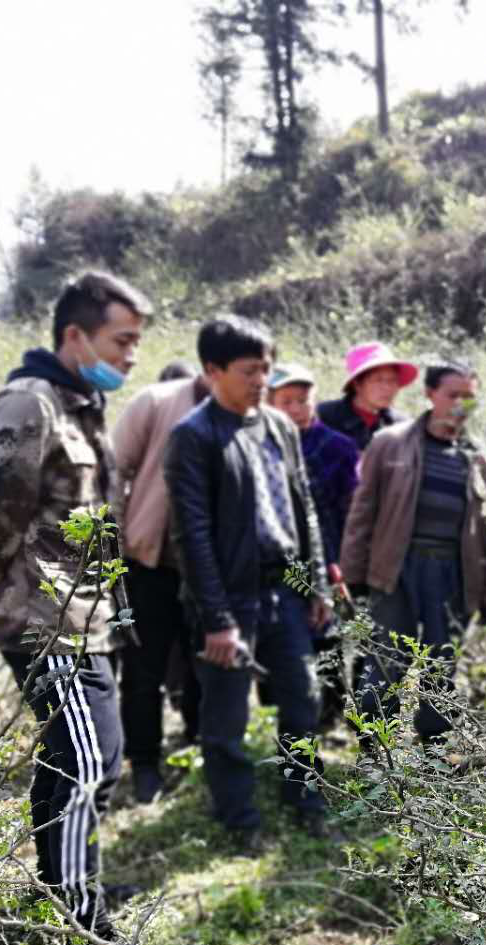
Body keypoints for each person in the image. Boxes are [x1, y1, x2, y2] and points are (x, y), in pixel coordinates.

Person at [0, 271, 159, 945]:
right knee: (88, 760)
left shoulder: (82, 405)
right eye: (119, 340)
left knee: (83, 759)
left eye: (136, 342)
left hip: (84, 612)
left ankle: (73, 887)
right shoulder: (28, 404)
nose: (130, 355)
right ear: (74, 335)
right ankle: (81, 938)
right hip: (41, 615)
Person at [165, 316, 338, 849]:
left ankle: (304, 796)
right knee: (227, 716)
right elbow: (192, 537)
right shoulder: (193, 437)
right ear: (212, 371)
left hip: (284, 585)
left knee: (302, 698)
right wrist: (217, 620)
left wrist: (315, 587)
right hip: (229, 596)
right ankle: (239, 819)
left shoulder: (279, 427)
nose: (262, 380)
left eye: (266, 368)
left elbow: (302, 510)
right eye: (249, 370)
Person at [340, 361, 486, 746]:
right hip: (395, 570)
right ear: (430, 395)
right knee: (385, 664)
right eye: (453, 395)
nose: (461, 405)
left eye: (469, 398)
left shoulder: (482, 459)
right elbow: (362, 514)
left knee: (441, 668)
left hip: (453, 575)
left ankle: (433, 758)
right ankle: (375, 753)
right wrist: (354, 577)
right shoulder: (390, 443)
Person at [111, 361, 211, 803]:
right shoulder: (155, 405)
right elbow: (112, 473)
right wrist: (111, 547)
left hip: (209, 570)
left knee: (205, 664)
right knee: (141, 671)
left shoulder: (246, 417)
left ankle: (199, 741)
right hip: (146, 563)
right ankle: (145, 764)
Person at [266, 364, 361, 735]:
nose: (295, 409)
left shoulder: (338, 446)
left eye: (302, 400)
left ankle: (330, 712)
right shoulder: (264, 444)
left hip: (330, 552)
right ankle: (282, 716)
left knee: (330, 636)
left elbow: (352, 509)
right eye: (285, 401)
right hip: (279, 558)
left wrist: (343, 562)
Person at [316, 341, 419, 452]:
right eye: (378, 380)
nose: (387, 388)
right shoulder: (323, 418)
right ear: (357, 384)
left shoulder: (402, 426)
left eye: (392, 380)